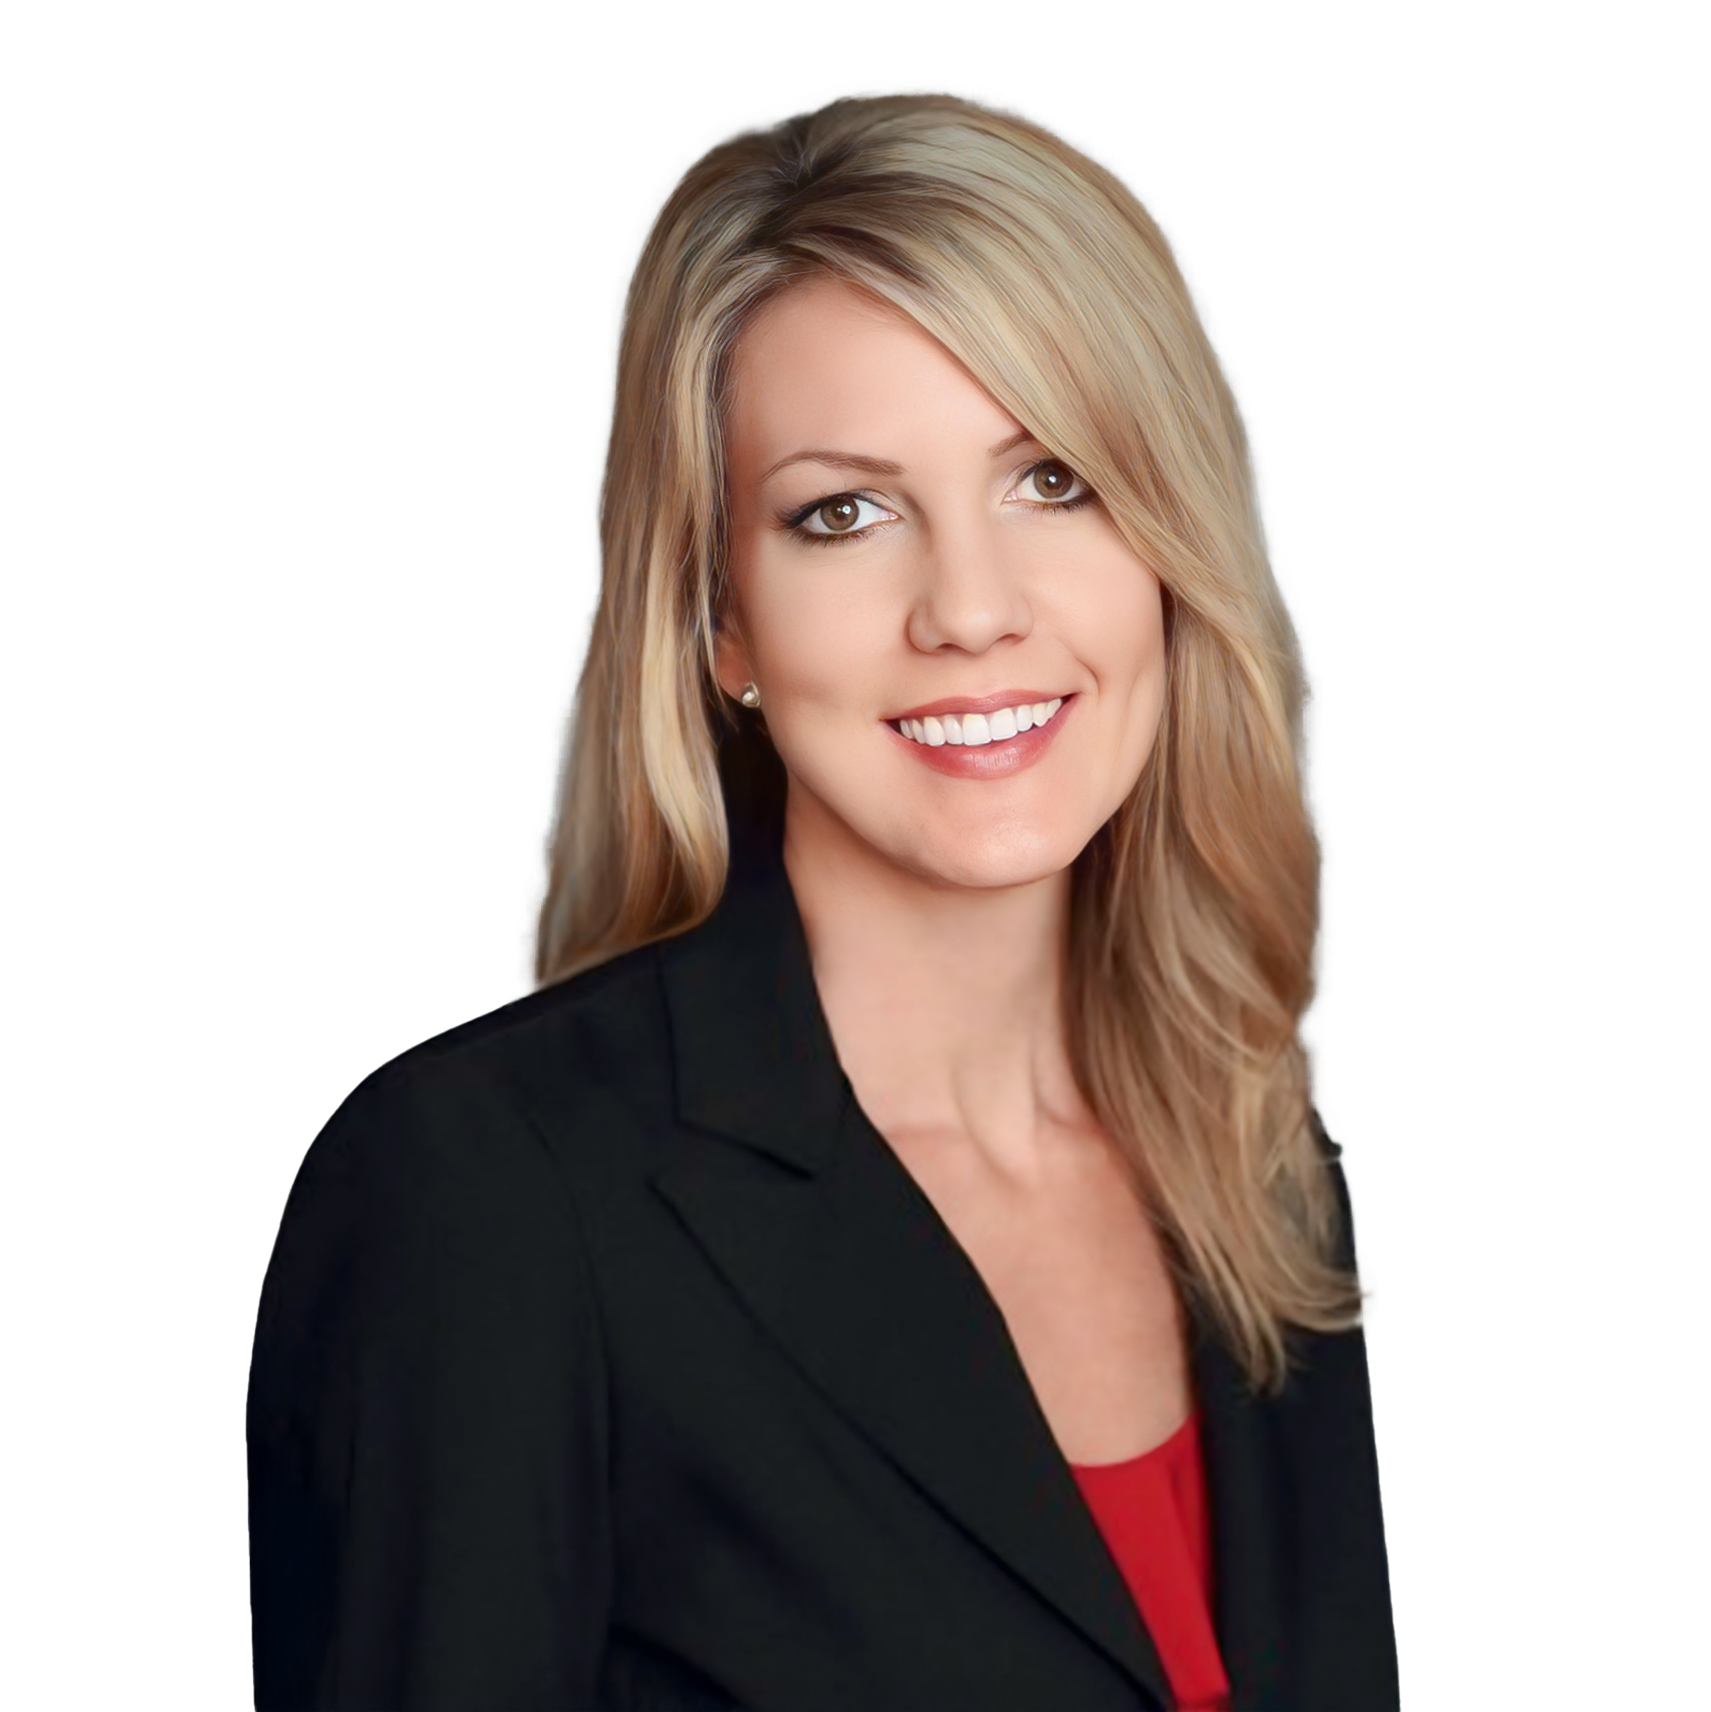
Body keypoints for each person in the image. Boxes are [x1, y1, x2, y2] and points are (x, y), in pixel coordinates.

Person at [247, 91, 1398, 1712]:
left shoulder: (1252, 1158)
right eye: (840, 514)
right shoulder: (488, 1202)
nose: (973, 609)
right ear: (721, 621)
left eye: (1053, 478)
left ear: (1169, 544)